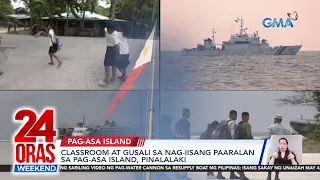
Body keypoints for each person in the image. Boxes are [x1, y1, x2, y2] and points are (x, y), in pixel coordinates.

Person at [99, 23, 119, 87]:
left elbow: (117, 46)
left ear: (113, 30)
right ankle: (110, 78)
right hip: (109, 48)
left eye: (110, 30)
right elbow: (105, 28)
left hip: (113, 49)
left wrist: (117, 54)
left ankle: (109, 78)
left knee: (110, 64)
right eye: (108, 30)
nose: (108, 31)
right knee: (109, 64)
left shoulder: (114, 36)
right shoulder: (106, 29)